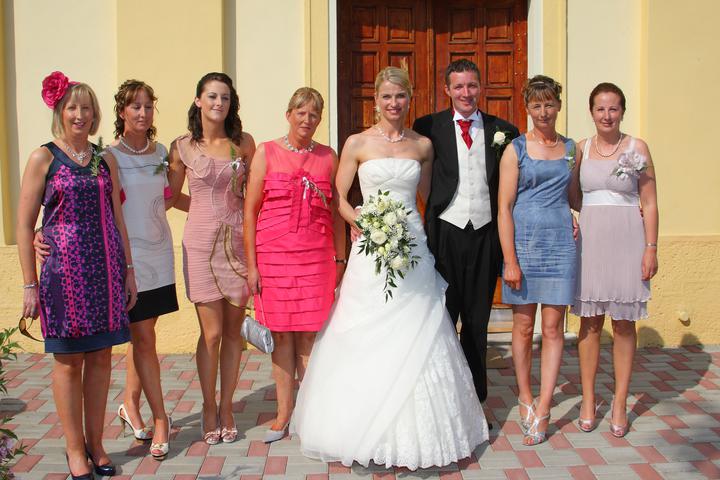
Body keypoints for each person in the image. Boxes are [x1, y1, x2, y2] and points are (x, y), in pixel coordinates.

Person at [292, 67, 488, 470]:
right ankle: (360, 424)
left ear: (409, 98)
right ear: (376, 100)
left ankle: (426, 429)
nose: (393, 103)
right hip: (371, 249)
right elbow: (337, 197)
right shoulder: (357, 142)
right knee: (365, 326)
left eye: (400, 96)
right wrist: (362, 222)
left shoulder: (422, 146)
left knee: (420, 325)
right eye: (386, 96)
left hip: (412, 246)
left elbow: (429, 200)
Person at [33, 80, 178, 459]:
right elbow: (54, 207)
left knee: (134, 340)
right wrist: (39, 236)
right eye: (135, 106)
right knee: (136, 340)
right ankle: (156, 419)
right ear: (120, 111)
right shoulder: (99, 155)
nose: (143, 113)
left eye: (148, 106)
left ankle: (124, 410)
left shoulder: (155, 153)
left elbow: (164, 199)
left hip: (144, 259)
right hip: (105, 262)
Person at [17, 72, 134, 479]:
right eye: (72, 107)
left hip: (105, 271)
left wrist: (128, 271)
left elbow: (117, 218)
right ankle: (73, 449)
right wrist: (29, 284)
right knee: (68, 361)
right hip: (63, 275)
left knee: (101, 358)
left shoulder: (105, 159)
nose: (79, 114)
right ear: (60, 112)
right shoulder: (43, 158)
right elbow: (24, 225)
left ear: (95, 113)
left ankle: (96, 444)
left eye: (86, 107)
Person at [413, 59, 519, 409]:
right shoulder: (428, 126)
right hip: (445, 232)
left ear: (480, 87)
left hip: (486, 235)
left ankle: (475, 403)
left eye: (472, 85)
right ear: (447, 89)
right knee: (442, 319)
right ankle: (442, 402)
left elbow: (516, 185)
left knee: (477, 322)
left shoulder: (503, 130)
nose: (466, 92)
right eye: (458, 86)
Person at [243, 87, 345, 443]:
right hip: (274, 259)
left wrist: (340, 259)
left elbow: (336, 213)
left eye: (314, 114)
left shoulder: (328, 157)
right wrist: (252, 266)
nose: (307, 119)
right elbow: (250, 211)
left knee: (310, 337)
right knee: (281, 336)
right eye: (301, 112)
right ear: (289, 115)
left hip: (316, 259)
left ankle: (313, 414)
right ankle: (284, 413)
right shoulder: (265, 152)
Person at [167, 72, 255, 445]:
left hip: (237, 244)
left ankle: (227, 407)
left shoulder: (243, 144)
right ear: (199, 101)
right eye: (212, 96)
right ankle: (207, 405)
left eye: (225, 97)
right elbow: (170, 196)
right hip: (200, 245)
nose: (219, 103)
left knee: (233, 333)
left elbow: (253, 196)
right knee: (212, 332)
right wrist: (204, 210)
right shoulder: (182, 147)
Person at [570, 83, 658, 437]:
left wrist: (650, 247)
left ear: (622, 111)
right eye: (600, 109)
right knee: (589, 323)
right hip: (590, 242)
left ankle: (620, 402)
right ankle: (589, 399)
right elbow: (572, 196)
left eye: (613, 108)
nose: (607, 115)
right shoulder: (580, 149)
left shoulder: (638, 148)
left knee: (623, 324)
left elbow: (649, 201)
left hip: (628, 241)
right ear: (591, 112)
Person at [497, 75, 578, 446]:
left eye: (549, 104)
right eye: (536, 105)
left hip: (560, 244)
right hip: (525, 244)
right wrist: (510, 260)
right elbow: (504, 207)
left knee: (553, 328)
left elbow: (575, 196)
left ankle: (544, 406)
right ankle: (525, 395)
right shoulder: (515, 149)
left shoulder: (572, 149)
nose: (543, 112)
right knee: (523, 326)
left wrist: (622, 206)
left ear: (558, 105)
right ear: (527, 108)